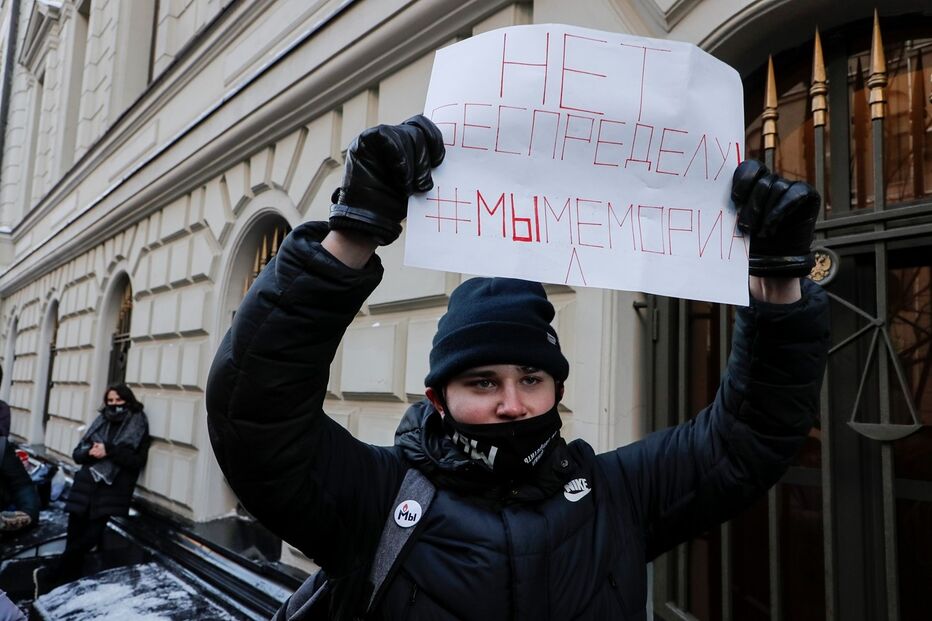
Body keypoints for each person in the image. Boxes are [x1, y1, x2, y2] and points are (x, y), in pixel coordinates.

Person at [206, 116, 829, 619]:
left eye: (531, 379)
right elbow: (257, 419)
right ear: (436, 397)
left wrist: (778, 285)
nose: (513, 404)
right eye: (483, 382)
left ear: (556, 387)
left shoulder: (615, 497)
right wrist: (351, 234)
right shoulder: (375, 498)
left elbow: (747, 438)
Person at [35, 384, 150, 590]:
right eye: (110, 401)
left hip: (110, 490)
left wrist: (109, 450)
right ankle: (65, 586)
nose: (114, 405)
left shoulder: (137, 422)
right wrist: (90, 452)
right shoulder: (102, 420)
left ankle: (52, 573)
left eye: (118, 400)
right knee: (73, 539)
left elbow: (135, 461)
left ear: (128, 400)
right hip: (85, 486)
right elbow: (77, 454)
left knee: (89, 539)